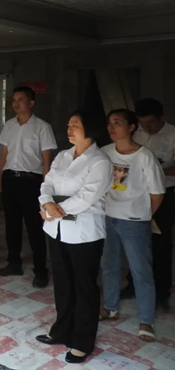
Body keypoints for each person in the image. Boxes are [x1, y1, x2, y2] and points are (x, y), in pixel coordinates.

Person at [35, 110, 112, 365]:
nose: (69, 129)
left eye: (75, 125)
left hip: (84, 233)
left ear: (90, 128)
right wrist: (46, 203)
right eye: (68, 125)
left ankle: (82, 341)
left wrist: (55, 209)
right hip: (56, 229)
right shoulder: (62, 156)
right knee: (63, 284)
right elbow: (47, 183)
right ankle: (61, 330)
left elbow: (87, 197)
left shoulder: (100, 161)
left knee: (84, 287)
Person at [101, 109, 164, 343]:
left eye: (117, 122)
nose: (112, 127)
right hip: (108, 217)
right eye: (109, 122)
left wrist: (143, 214)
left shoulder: (144, 156)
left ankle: (146, 320)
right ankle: (110, 307)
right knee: (109, 266)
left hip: (134, 222)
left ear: (131, 127)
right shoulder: (104, 152)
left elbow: (157, 193)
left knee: (141, 271)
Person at [0, 86, 56, 288]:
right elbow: (4, 155)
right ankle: (14, 263)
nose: (16, 103)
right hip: (10, 179)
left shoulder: (42, 127)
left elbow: (46, 160)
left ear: (31, 103)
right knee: (11, 224)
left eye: (21, 100)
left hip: (32, 181)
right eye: (14, 100)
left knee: (34, 227)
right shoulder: (9, 125)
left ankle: (41, 270)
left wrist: (45, 189)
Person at [121, 98, 175, 311]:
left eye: (150, 122)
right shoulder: (137, 134)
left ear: (161, 118)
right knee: (136, 242)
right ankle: (133, 284)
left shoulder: (172, 135)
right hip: (138, 194)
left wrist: (156, 169)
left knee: (161, 245)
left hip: (164, 194)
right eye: (142, 123)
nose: (146, 127)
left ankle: (161, 293)